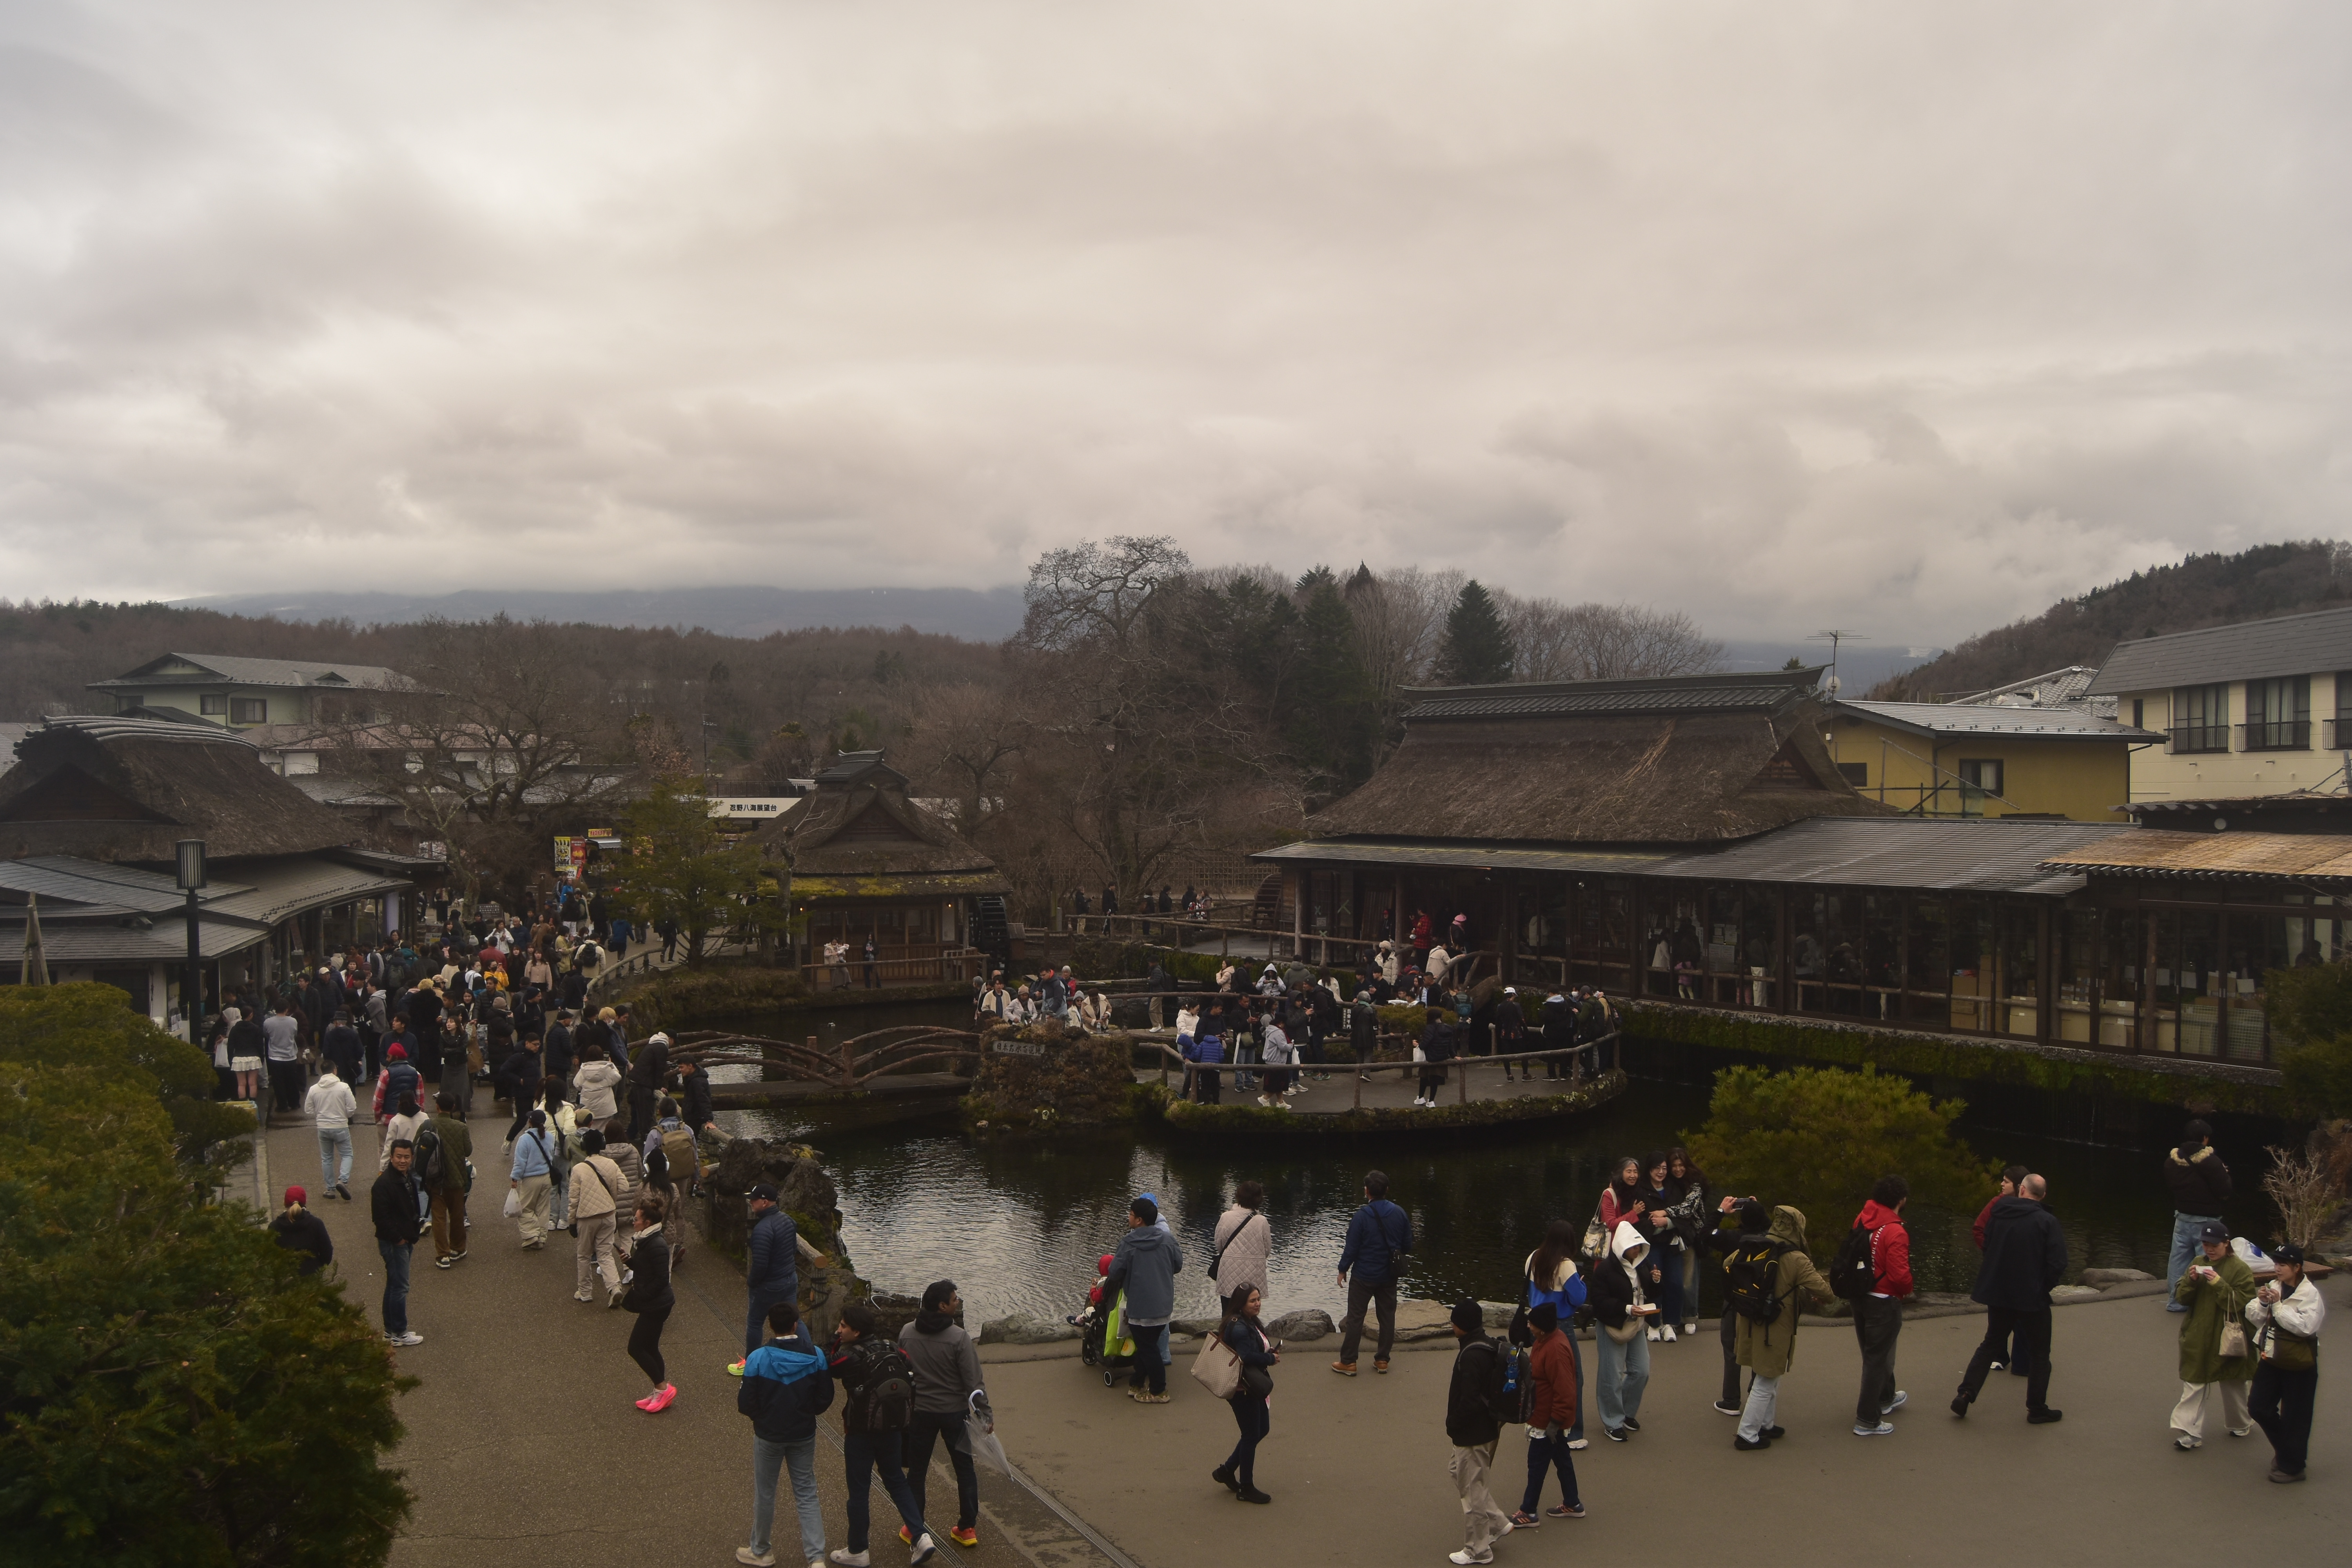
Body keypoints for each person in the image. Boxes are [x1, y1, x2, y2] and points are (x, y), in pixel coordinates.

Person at [828, 1299, 938, 1566]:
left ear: (856, 1332)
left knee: (859, 1491)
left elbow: (828, 1365)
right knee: (897, 1481)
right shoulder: (894, 1349)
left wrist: (834, 1341)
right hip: (892, 1429)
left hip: (860, 1432)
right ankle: (921, 1536)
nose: (840, 1330)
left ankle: (858, 1550)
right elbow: (910, 1370)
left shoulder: (850, 1356)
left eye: (844, 1326)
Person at [1952, 1173, 2067, 1423]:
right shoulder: (2047, 1222)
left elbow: (1989, 1245)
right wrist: (2042, 1286)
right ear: (2043, 1195)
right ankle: (2036, 1409)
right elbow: (2058, 1263)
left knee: (1991, 1344)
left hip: (2000, 1293)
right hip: (2032, 1297)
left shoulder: (1999, 1214)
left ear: (2022, 1190)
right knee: (2039, 1353)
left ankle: (1966, 1393)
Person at [739, 1299, 835, 1568]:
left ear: (771, 1326)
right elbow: (825, 1397)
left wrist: (763, 1418)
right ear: (796, 1324)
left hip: (769, 1435)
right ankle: (816, 1558)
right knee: (806, 1492)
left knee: (766, 1492)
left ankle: (761, 1551)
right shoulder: (816, 1355)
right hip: (803, 1433)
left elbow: (746, 1403)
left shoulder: (758, 1358)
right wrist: (808, 1413)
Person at [1731, 1206, 1837, 1450]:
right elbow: (1826, 1293)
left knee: (1769, 1373)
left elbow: (1729, 1264)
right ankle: (1747, 1434)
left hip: (1750, 1320)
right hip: (1775, 1326)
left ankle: (1766, 1424)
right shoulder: (1796, 1258)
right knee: (1767, 1378)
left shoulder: (1754, 1245)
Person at [899, 1280, 988, 1549]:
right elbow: (974, 1382)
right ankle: (967, 1527)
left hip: (920, 1413)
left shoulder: (906, 1332)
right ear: (942, 1306)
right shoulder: (959, 1337)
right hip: (954, 1413)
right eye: (954, 1299)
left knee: (917, 1471)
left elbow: (902, 1372)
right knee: (964, 1469)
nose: (957, 1302)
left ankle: (914, 1527)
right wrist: (985, 1416)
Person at [2169, 1220, 2256, 1450]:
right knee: (2194, 1383)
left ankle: (2241, 1422)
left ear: (2227, 1244)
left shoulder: (2240, 1269)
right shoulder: (2198, 1262)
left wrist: (2218, 1284)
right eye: (2206, 1244)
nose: (2209, 1249)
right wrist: (2190, 1281)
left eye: (2214, 1245)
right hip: (2198, 1335)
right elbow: (2181, 1298)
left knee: (2233, 1383)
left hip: (2229, 1336)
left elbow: (2242, 1303)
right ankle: (2190, 1433)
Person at [2246, 1242, 2325, 1483]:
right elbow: (2254, 1316)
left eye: (2283, 1265)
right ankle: (2289, 1452)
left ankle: (2293, 1467)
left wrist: (2278, 1306)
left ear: (2297, 1267)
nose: (2277, 1269)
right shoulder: (2273, 1286)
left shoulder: (2310, 1294)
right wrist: (2261, 1303)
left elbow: (2305, 1327)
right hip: (2272, 1357)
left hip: (2300, 1364)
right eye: (2276, 1264)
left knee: (2296, 1417)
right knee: (2258, 1406)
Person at [1444, 1298, 1513, 1566]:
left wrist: (1453, 1424)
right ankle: (1498, 1522)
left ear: (1461, 1326)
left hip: (1472, 1433)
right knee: (1458, 1472)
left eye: (1454, 1321)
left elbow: (1469, 1400)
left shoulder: (1471, 1355)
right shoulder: (1486, 1345)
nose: (1452, 1325)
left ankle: (1478, 1550)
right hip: (1486, 1429)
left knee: (1472, 1492)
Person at [1511, 1301, 1584, 1528]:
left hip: (1547, 1421)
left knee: (1537, 1465)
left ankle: (1529, 1511)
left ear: (1542, 1328)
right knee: (1562, 1461)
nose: (1529, 1327)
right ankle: (1573, 1503)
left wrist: (1554, 1422)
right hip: (1548, 1418)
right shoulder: (1549, 1339)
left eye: (1532, 1324)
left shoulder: (1554, 1349)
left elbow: (1566, 1390)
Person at [1850, 1175, 1914, 1436]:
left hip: (1860, 1295)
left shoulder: (1861, 1219)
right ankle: (1867, 1419)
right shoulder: (1895, 1231)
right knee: (1877, 1359)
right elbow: (1900, 1276)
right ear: (1901, 1200)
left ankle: (1887, 1398)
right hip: (1883, 1301)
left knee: (1873, 1352)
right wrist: (1909, 1288)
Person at [1104, 1196, 1183, 1402]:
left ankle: (1159, 1390)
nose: (1128, 1217)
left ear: (1139, 1220)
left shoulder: (1129, 1243)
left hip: (1140, 1305)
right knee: (1145, 1344)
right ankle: (1137, 1382)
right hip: (1164, 1303)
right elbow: (1178, 1266)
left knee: (1147, 1347)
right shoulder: (1168, 1240)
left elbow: (1114, 1272)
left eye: (1130, 1214)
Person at [1333, 1171, 1412, 1376]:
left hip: (1364, 1276)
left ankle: (1349, 1362)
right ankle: (1383, 1360)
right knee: (1387, 1317)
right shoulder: (1400, 1213)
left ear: (1367, 1191)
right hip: (1389, 1276)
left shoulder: (1361, 1217)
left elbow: (1352, 1247)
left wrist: (1343, 1270)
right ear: (1387, 1190)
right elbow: (1407, 1245)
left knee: (1356, 1318)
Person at [1587, 1218, 1660, 1440]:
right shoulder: (1606, 1270)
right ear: (1621, 1246)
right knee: (1612, 1376)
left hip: (1636, 1325)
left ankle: (1626, 1412)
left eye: (1638, 1246)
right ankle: (1612, 1421)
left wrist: (1656, 1282)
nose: (1636, 1250)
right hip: (1612, 1325)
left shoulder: (1643, 1265)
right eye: (1632, 1247)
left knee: (1641, 1371)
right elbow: (1598, 1302)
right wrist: (1627, 1308)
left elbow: (1653, 1294)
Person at [1522, 1218, 1588, 1448]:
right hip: (1560, 1325)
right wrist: (1582, 1284)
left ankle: (1536, 1422)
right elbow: (1579, 1299)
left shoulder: (1534, 1257)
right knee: (1573, 1377)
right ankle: (1573, 1432)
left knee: (1540, 1375)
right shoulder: (1566, 1265)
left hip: (1536, 1323)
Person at [1212, 1285, 1278, 1504]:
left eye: (1259, 1299)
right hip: (1243, 1389)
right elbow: (1246, 1356)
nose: (1258, 1303)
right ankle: (1246, 1488)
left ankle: (1227, 1471)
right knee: (1251, 1435)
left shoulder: (1248, 1321)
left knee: (1262, 1429)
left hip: (1251, 1386)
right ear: (1241, 1304)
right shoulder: (1240, 1327)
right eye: (1253, 1301)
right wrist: (1271, 1359)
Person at [2163, 1120, 2232, 1312]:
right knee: (2209, 1262)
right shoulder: (2211, 1162)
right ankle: (2206, 1304)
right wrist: (2224, 1174)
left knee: (2178, 1262)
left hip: (2182, 1218)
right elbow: (2224, 1189)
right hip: (2207, 1221)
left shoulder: (2171, 1161)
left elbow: (2172, 1185)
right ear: (2205, 1139)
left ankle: (2176, 1302)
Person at [733, 1182, 800, 1374]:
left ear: (765, 1202)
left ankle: (751, 1365)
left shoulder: (763, 1229)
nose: (751, 1203)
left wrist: (752, 1282)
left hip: (769, 1285)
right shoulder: (788, 1220)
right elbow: (793, 1249)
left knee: (755, 1322)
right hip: (790, 1279)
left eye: (754, 1200)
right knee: (796, 1320)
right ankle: (807, 1356)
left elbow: (760, 1265)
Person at [621, 1191, 679, 1412]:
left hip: (656, 1305)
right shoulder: (647, 1240)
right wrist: (632, 1262)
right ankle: (660, 1390)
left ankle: (663, 1388)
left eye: (636, 1219)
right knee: (651, 1346)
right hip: (655, 1303)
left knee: (635, 1348)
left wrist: (643, 1294)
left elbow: (662, 1279)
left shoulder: (656, 1244)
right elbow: (648, 1269)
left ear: (647, 1222)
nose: (633, 1222)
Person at [370, 1138, 424, 1347]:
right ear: (391, 1157)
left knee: (393, 1285)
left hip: (405, 1238)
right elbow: (381, 1219)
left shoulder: (406, 1177)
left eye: (407, 1157)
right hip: (395, 1243)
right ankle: (400, 1332)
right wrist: (399, 1239)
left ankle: (390, 1331)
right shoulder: (383, 1185)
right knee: (400, 1286)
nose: (403, 1161)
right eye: (399, 1157)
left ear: (412, 1158)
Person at [566, 1128, 627, 1307]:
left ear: (584, 1146)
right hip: (609, 1215)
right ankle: (614, 1287)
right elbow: (624, 1186)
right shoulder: (611, 1164)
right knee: (606, 1254)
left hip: (587, 1218)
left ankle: (585, 1292)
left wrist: (572, 1222)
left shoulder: (578, 1169)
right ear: (602, 1145)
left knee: (584, 1255)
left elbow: (573, 1199)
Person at [419, 1091, 472, 1269]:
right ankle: (458, 1248)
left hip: (435, 1180)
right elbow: (468, 1151)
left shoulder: (428, 1125)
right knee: (457, 1215)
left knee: (439, 1217)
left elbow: (416, 1147)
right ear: (454, 1108)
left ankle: (443, 1255)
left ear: (437, 1107)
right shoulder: (461, 1127)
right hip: (457, 1178)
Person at [304, 1060, 358, 1200]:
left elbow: (308, 1110)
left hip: (323, 1127)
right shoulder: (344, 1087)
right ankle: (343, 1180)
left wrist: (321, 1114)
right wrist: (344, 1115)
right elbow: (352, 1108)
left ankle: (330, 1189)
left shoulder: (314, 1089)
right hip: (340, 1126)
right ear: (335, 1070)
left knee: (327, 1158)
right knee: (347, 1155)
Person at [1212, 1181, 1272, 1306]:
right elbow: (1267, 1250)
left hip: (1229, 1272)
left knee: (1228, 1312)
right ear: (1259, 1199)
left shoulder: (1226, 1217)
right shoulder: (1262, 1221)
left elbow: (1219, 1244)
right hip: (1254, 1274)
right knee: (1250, 1311)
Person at [509, 1107, 559, 1249]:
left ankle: (532, 1235)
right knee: (543, 1209)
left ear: (530, 1122)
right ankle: (542, 1238)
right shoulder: (550, 1137)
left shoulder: (524, 1139)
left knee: (524, 1209)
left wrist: (515, 1179)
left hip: (531, 1179)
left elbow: (520, 1162)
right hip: (547, 1177)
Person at [269, 1186, 334, 1276]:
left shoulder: (274, 1226)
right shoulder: (316, 1224)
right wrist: (318, 1266)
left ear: (285, 1203)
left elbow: (269, 1255)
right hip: (312, 1275)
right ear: (305, 1202)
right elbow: (327, 1251)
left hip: (284, 1277)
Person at [575, 1041, 623, 1122]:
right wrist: (611, 1064)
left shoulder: (583, 1071)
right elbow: (617, 1077)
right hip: (606, 1110)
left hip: (588, 1111)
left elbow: (577, 1084)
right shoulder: (607, 1069)